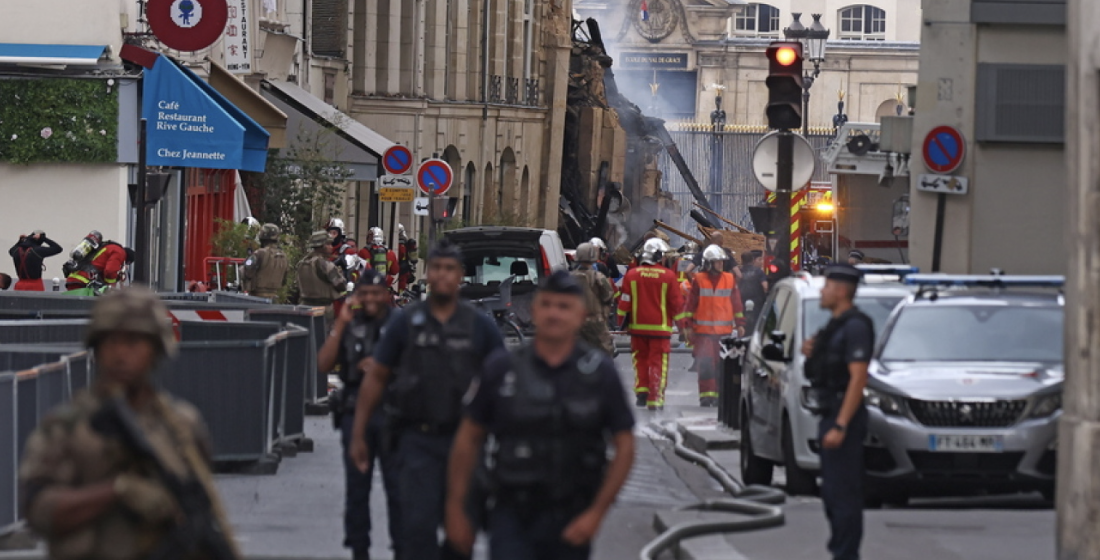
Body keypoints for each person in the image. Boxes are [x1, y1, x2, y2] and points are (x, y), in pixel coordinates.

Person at [18, 287, 240, 560]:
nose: (120, 354)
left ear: (155, 350)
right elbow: (39, 512)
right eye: (110, 341)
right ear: (96, 348)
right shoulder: (68, 427)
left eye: (134, 342)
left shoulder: (182, 424)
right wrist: (117, 491)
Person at [445, 270, 636, 560]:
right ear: (533, 311)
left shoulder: (598, 373)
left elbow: (624, 444)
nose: (554, 314)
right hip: (512, 512)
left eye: (564, 307)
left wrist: (596, 514)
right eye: (546, 305)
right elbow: (468, 438)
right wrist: (456, 509)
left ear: (581, 314)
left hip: (572, 514)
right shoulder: (503, 368)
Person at [348, 239, 504, 560]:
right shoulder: (406, 322)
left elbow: (504, 382)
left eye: (450, 269)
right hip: (416, 441)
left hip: (467, 442)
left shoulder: (480, 327)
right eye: (436, 268)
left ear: (461, 275)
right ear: (428, 273)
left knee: (461, 535)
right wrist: (360, 431)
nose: (443, 275)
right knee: (416, 532)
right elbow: (377, 376)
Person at [318, 270, 402, 560]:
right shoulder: (350, 325)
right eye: (364, 293)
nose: (370, 299)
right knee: (357, 489)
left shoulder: (399, 325)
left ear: (386, 295)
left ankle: (401, 547)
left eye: (376, 293)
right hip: (355, 413)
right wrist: (340, 325)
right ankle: (358, 549)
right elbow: (324, 363)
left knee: (397, 487)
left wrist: (382, 368)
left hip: (392, 413)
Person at [801, 265, 874, 560]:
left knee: (843, 494)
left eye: (827, 286)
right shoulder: (834, 326)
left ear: (841, 291)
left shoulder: (856, 326)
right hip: (829, 413)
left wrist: (841, 425)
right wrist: (811, 352)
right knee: (832, 494)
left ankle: (846, 555)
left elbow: (858, 378)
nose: (822, 291)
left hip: (843, 417)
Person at [617, 238, 687, 410]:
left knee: (640, 360)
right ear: (657, 256)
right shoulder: (668, 276)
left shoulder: (632, 275)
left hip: (637, 328)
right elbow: (676, 305)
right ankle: (655, 398)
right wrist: (683, 328)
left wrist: (622, 324)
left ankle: (642, 391)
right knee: (657, 363)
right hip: (660, 329)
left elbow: (624, 302)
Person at [685, 245, 747, 407]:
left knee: (722, 367)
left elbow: (737, 304)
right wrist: (688, 325)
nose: (720, 264)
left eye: (721, 262)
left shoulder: (729, 279)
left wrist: (740, 324)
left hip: (723, 333)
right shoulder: (699, 279)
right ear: (708, 263)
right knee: (705, 365)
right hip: (703, 333)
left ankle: (720, 396)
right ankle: (706, 396)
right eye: (717, 262)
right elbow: (691, 304)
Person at [571, 242, 615, 355]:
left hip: (574, 321)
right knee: (605, 353)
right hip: (596, 322)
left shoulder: (569, 278)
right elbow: (609, 296)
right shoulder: (598, 277)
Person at [296, 231, 348, 327]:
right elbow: (341, 285)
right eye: (328, 244)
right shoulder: (325, 265)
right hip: (322, 309)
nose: (331, 247)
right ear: (321, 246)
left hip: (304, 307)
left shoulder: (302, 263)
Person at [64, 232, 131, 291]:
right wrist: (111, 287)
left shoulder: (107, 246)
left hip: (73, 278)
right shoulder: (120, 252)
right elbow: (110, 271)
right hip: (85, 282)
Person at [242, 223, 289, 300]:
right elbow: (284, 280)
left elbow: (247, 271)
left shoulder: (259, 253)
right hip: (274, 296)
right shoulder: (284, 256)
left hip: (257, 297)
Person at [737, 250, 768, 330]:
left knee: (743, 325)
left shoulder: (739, 272)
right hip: (757, 303)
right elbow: (765, 286)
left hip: (742, 302)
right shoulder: (759, 272)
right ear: (752, 260)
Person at [395, 224, 418, 292]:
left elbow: (401, 255)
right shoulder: (404, 243)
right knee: (402, 287)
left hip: (402, 271)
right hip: (405, 270)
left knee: (401, 288)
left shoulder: (401, 246)